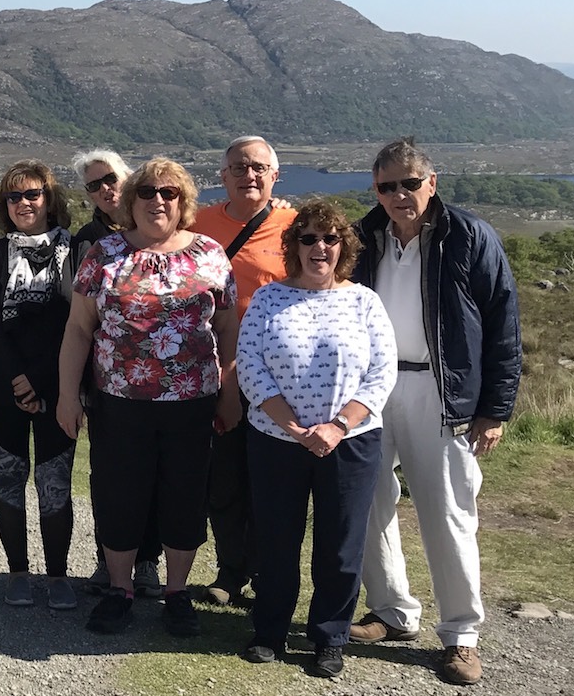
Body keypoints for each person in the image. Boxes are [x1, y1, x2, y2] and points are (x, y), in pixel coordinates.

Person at [348, 138, 522, 686]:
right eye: (386, 186)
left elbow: (502, 325)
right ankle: (392, 611)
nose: (399, 195)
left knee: (447, 513)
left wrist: (493, 410)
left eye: (409, 183)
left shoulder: (468, 236)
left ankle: (461, 634)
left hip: (442, 394)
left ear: (432, 182)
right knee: (367, 501)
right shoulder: (362, 237)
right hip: (373, 389)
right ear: (374, 188)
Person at [56, 158, 240, 638]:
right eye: (148, 192)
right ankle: (120, 591)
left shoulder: (209, 255)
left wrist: (229, 392)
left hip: (193, 401)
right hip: (119, 402)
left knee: (184, 496)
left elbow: (227, 330)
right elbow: (78, 330)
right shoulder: (103, 254)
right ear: (131, 199)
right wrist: (66, 396)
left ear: (183, 202)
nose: (158, 200)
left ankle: (177, 594)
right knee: (120, 496)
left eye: (170, 193)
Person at [236, 200, 396, 678]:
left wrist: (336, 426)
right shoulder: (268, 299)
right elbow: (251, 368)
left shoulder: (364, 301)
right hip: (276, 441)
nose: (319, 248)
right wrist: (293, 428)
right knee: (276, 540)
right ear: (294, 246)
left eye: (329, 239)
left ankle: (329, 637)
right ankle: (269, 631)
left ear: (344, 247)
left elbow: (381, 374)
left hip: (350, 442)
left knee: (341, 544)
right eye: (307, 238)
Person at [191, 135, 298, 604]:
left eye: (258, 167)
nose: (248, 175)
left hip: (279, 373)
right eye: (238, 167)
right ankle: (231, 569)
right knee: (225, 476)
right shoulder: (199, 224)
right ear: (223, 176)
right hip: (216, 367)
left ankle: (267, 572)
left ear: (275, 175)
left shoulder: (296, 227)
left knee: (271, 479)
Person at [0, 161, 78, 610]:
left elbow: (74, 322)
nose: (23, 204)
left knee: (54, 482)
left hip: (59, 385)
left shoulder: (73, 251)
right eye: (14, 197)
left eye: (33, 194)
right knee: (8, 479)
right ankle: (17, 571)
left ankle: (58, 575)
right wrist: (19, 380)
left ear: (49, 199)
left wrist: (43, 382)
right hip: (4, 384)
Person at [69, 149, 162, 598]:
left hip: (164, 381)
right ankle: (109, 562)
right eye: (93, 185)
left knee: (157, 473)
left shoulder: (166, 229)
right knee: (108, 475)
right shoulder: (85, 242)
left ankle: (147, 562)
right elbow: (77, 321)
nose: (106, 189)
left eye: (111, 179)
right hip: (106, 381)